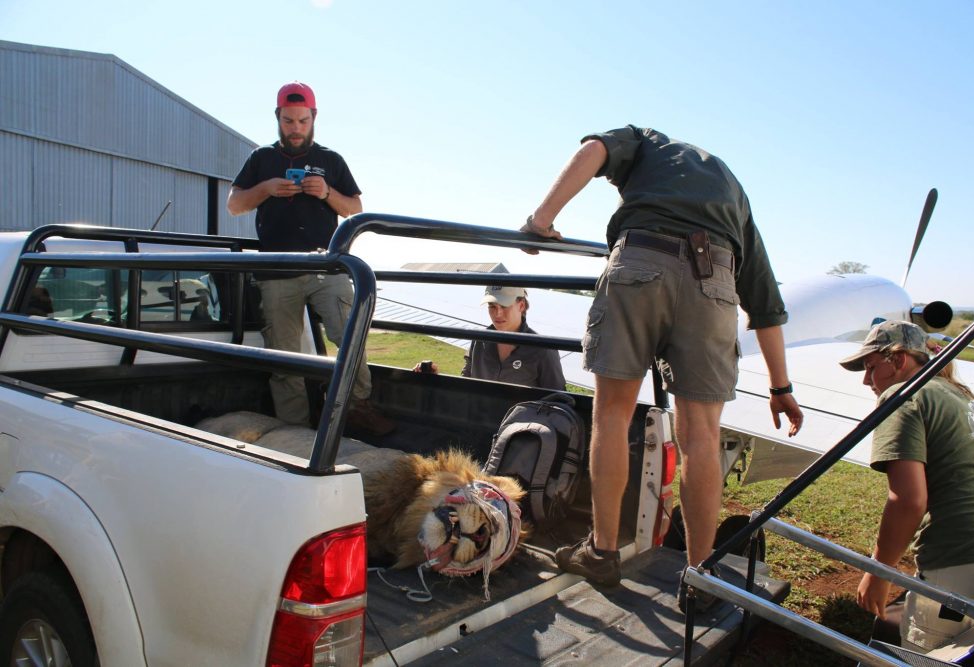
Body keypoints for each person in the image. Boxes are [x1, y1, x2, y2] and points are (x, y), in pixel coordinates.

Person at [522, 126, 803, 603]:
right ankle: (700, 575)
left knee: (611, 413)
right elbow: (766, 304)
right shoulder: (734, 191)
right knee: (702, 436)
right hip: (715, 277)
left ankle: (603, 551)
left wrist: (540, 221)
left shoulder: (643, 139)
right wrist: (781, 388)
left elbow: (593, 151)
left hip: (640, 261)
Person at [227, 81, 394, 436]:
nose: (296, 129)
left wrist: (327, 192)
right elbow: (234, 205)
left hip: (327, 267)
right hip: (276, 271)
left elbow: (356, 210)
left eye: (303, 121)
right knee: (283, 358)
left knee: (351, 335)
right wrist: (266, 189)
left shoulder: (331, 160)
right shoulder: (261, 158)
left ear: (314, 118)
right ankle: (294, 434)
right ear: (278, 118)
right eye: (289, 121)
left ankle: (356, 408)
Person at [841, 320, 974, 654]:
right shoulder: (963, 397)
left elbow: (908, 500)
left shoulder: (903, 396)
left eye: (871, 367)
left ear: (898, 360)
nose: (867, 380)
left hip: (962, 555)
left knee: (926, 656)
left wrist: (879, 572)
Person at [414, 285, 566, 391]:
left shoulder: (543, 349)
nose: (497, 314)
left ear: (521, 306)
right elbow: (465, 386)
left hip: (521, 433)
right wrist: (435, 379)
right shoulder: (479, 341)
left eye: (504, 306)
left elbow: (558, 400)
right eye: (492, 306)